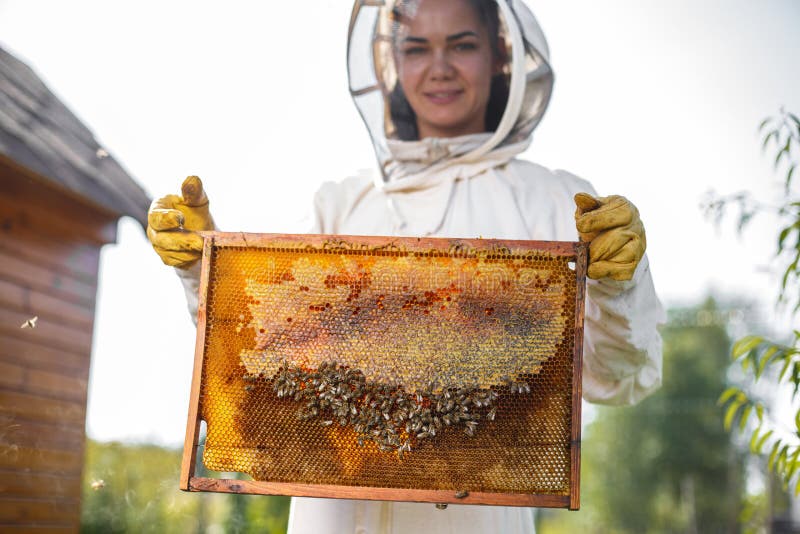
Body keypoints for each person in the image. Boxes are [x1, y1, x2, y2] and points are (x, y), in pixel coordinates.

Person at [147, 0, 664, 532]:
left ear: (500, 56)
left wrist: (620, 286)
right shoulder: (338, 204)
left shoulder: (554, 202)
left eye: (462, 44)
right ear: (389, 63)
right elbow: (251, 357)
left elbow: (618, 377)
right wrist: (204, 270)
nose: (439, 67)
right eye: (416, 48)